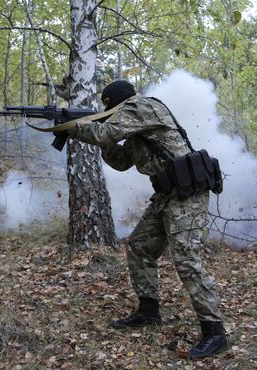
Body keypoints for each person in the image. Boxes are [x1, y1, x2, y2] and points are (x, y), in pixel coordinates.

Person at [67, 80, 228, 358]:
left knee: (187, 260)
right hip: (168, 195)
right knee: (139, 246)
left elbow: (104, 131)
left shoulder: (141, 106)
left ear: (116, 102)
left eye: (108, 107)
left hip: (187, 195)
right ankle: (149, 312)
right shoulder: (136, 132)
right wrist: (103, 142)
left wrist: (74, 126)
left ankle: (215, 332)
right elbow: (120, 161)